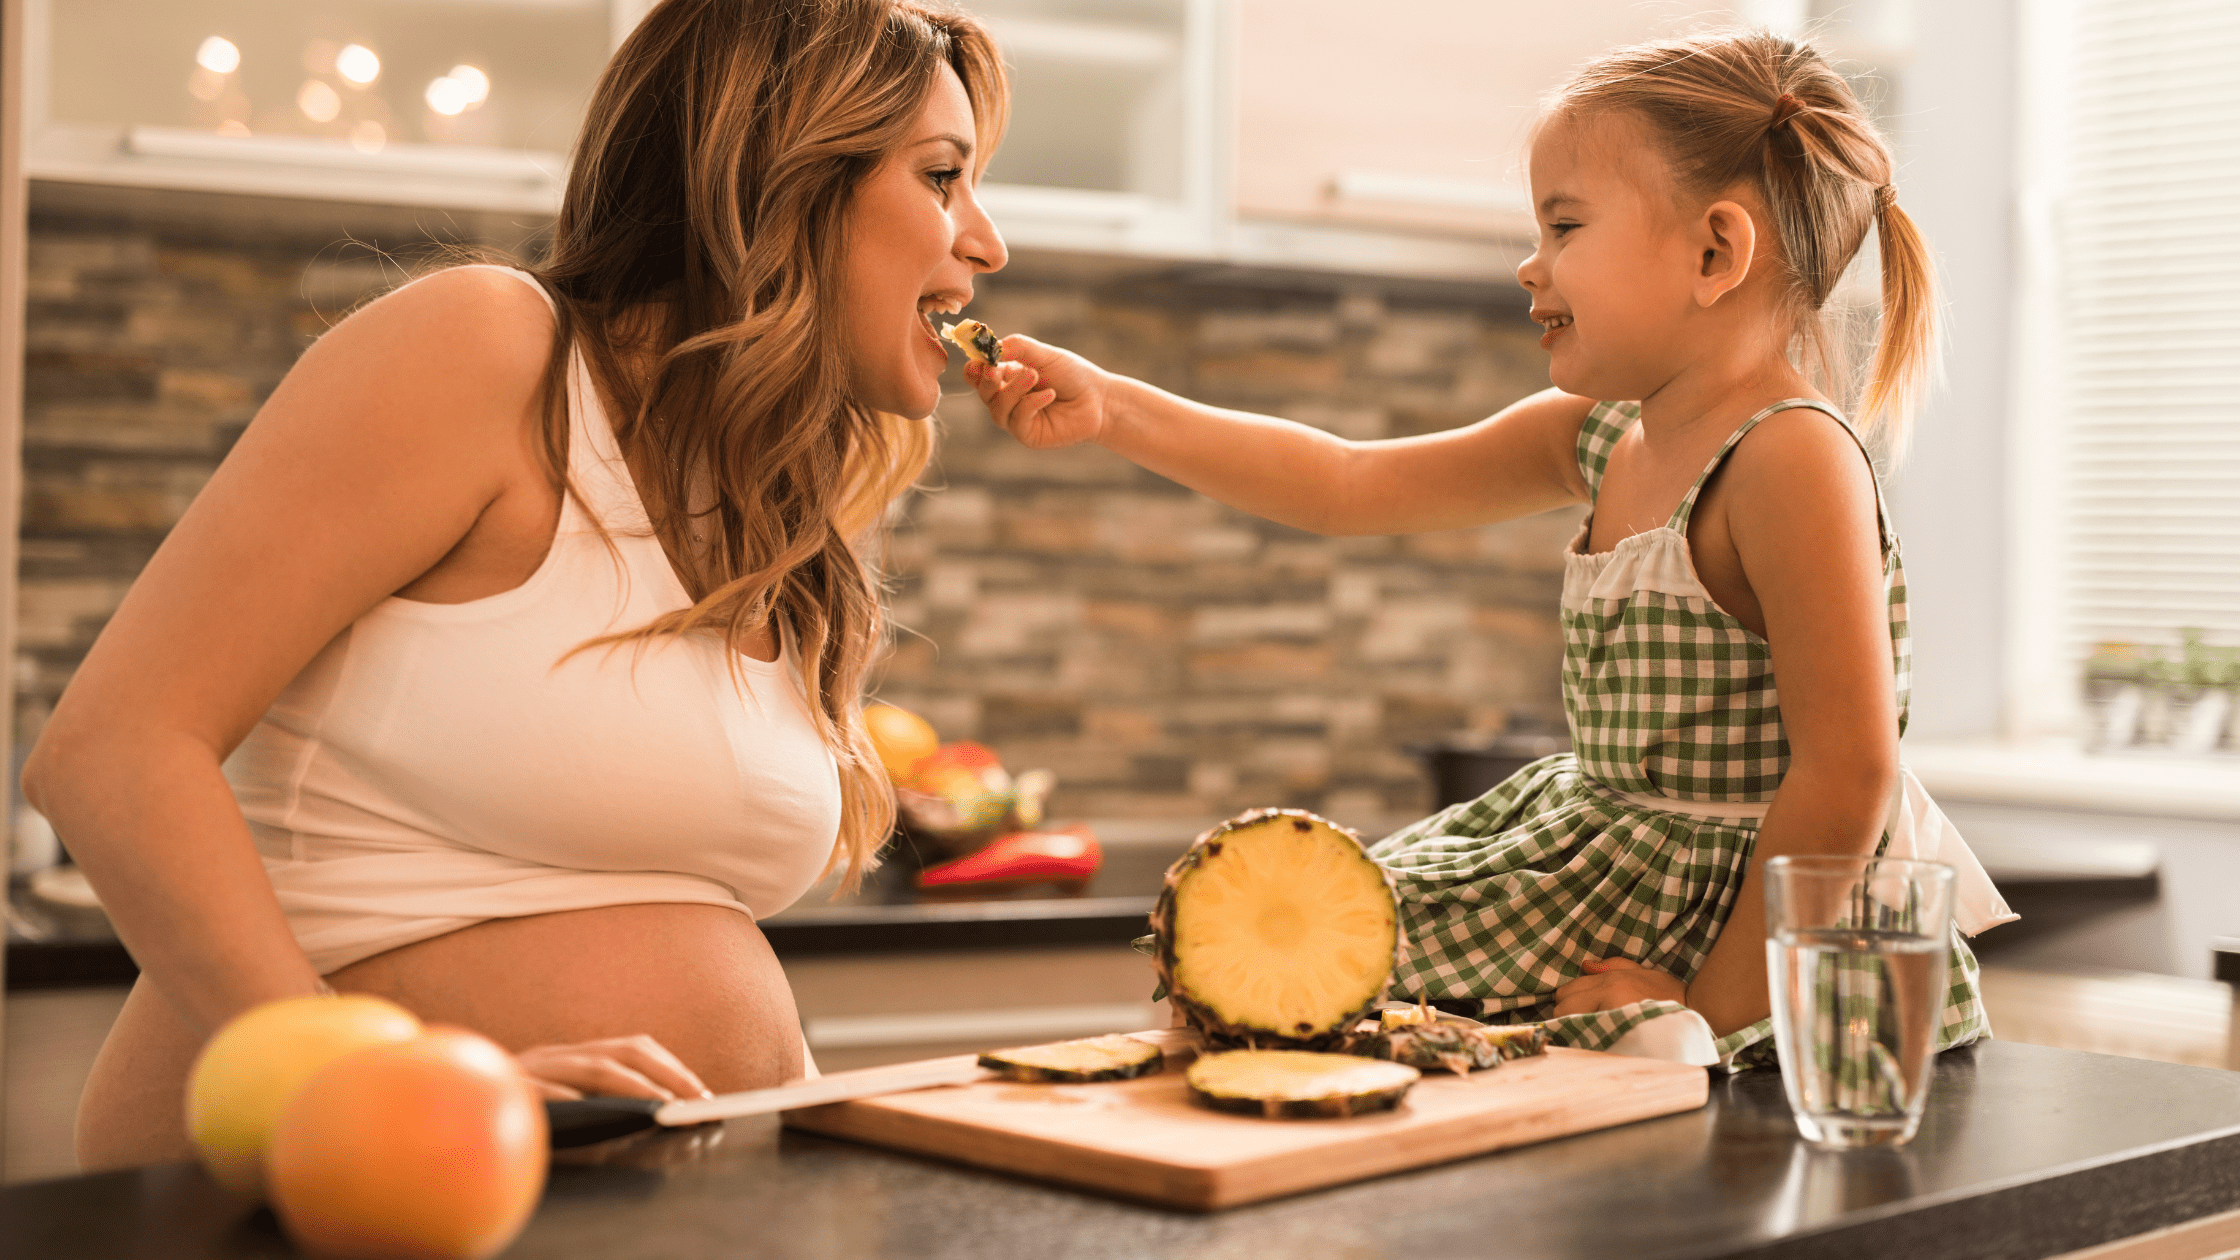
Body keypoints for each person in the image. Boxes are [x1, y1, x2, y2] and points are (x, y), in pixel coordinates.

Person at [28, 0, 1009, 1170]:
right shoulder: (490, 348)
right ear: (776, 179)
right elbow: (113, 751)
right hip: (338, 1189)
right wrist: (362, 1083)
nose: (986, 242)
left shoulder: (777, 516)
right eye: (941, 177)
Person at [969, 30, 2011, 1065]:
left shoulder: (1790, 458)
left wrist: (1707, 1010)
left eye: (1562, 226)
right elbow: (1344, 482)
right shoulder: (1602, 435)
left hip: (1755, 930)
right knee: (1287, 958)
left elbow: (1846, 775)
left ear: (1712, 253)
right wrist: (1112, 407)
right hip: (1604, 855)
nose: (1529, 263)